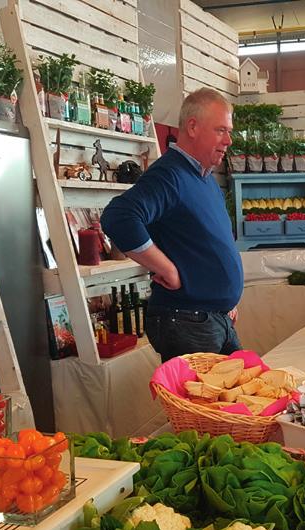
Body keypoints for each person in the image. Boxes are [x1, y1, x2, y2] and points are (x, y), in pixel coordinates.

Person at [101, 88, 243, 362]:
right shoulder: (170, 175)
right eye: (221, 130)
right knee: (202, 405)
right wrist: (166, 269)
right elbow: (118, 217)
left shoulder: (203, 178)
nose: (229, 140)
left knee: (239, 399)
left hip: (212, 318)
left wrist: (225, 298)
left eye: (229, 131)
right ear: (192, 127)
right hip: (188, 320)